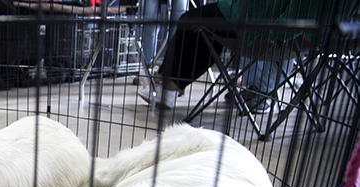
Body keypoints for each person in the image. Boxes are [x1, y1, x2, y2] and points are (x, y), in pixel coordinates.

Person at [138, 0, 350, 110]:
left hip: (264, 31)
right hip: (320, 37)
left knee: (194, 22)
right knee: (207, 25)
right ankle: (170, 83)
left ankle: (167, 82)